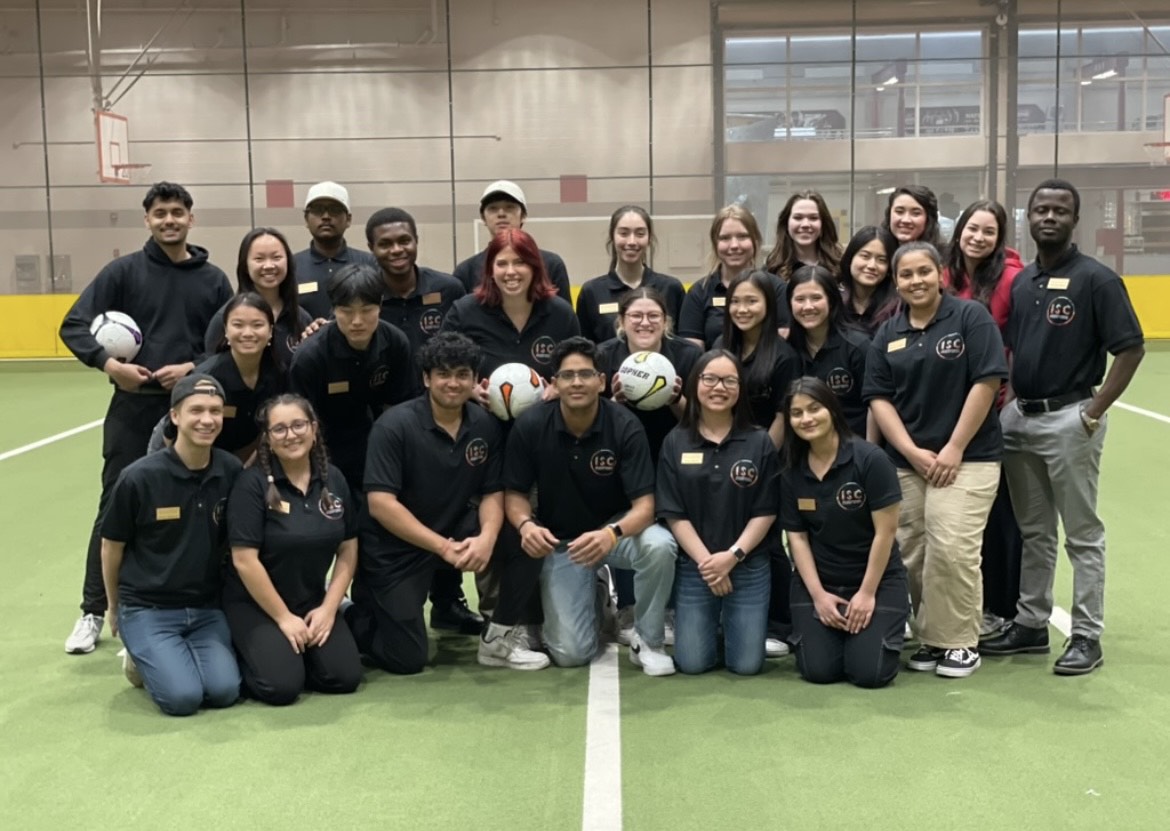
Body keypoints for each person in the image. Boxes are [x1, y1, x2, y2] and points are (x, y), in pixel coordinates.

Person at [60, 181, 233, 655]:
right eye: (160, 213)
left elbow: (226, 340)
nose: (169, 220)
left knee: (204, 508)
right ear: (148, 220)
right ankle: (93, 610)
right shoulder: (122, 272)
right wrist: (111, 366)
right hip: (134, 410)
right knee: (116, 503)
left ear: (191, 219)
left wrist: (193, 367)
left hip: (196, 412)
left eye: (178, 212)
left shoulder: (214, 279)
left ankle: (205, 605)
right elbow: (73, 325)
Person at [982, 179, 1145, 676]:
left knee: (1081, 534)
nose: (1049, 217)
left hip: (1069, 419)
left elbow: (1131, 347)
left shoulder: (1097, 280)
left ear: (1076, 220)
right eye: (1040, 209)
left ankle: (1086, 635)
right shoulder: (1024, 281)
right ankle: (1031, 623)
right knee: (1035, 531)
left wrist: (1093, 410)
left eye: (1060, 210)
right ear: (1028, 218)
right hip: (1019, 419)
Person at [863, 241, 1007, 679]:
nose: (915, 281)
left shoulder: (970, 318)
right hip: (909, 463)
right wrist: (908, 451)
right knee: (912, 552)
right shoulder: (888, 333)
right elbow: (878, 398)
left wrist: (955, 447)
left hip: (969, 459)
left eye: (923, 271)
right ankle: (931, 637)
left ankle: (961, 641)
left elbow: (987, 381)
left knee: (952, 547)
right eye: (906, 275)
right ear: (896, 281)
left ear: (941, 272)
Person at [442, 228, 580, 661]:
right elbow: (439, 364)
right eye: (501, 263)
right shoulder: (465, 311)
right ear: (489, 270)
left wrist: (560, 386)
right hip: (484, 440)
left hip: (544, 442)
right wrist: (466, 392)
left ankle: (534, 618)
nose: (510, 271)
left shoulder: (558, 313)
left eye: (519, 262)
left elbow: (576, 363)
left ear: (535, 266)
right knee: (496, 528)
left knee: (536, 525)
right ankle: (497, 621)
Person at [503, 337, 677, 675]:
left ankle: (649, 640)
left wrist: (611, 534)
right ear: (554, 383)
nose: (577, 382)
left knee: (659, 545)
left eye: (585, 374)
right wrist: (526, 525)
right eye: (567, 375)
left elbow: (645, 506)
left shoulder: (625, 425)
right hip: (563, 543)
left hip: (615, 532)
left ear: (601, 380)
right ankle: (596, 593)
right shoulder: (532, 425)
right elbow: (514, 494)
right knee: (570, 655)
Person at [353, 333, 508, 673]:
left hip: (452, 530)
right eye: (443, 374)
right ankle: (355, 613)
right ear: (426, 378)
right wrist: (442, 547)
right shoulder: (394, 426)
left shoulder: (485, 424)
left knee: (512, 530)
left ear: (474, 379)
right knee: (407, 659)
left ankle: (504, 627)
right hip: (395, 548)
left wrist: (487, 539)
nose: (453, 383)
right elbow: (381, 504)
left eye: (462, 374)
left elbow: (493, 492)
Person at [100, 374, 243, 716]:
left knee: (223, 692)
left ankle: (169, 655)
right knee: (182, 699)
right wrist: (114, 606)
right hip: (149, 607)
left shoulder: (230, 470)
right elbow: (111, 546)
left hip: (206, 607)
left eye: (214, 411)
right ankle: (140, 658)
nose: (206, 420)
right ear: (175, 416)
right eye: (196, 410)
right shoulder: (139, 477)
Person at [365, 207, 477, 634]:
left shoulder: (447, 287)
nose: (397, 249)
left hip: (446, 415)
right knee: (395, 507)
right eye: (386, 243)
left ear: (416, 240)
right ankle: (378, 601)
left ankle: (449, 601)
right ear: (372, 249)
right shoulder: (369, 294)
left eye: (403, 240)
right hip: (392, 424)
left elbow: (462, 345)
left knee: (447, 502)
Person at [224, 394, 361, 704]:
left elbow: (348, 549)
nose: (291, 435)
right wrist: (284, 617)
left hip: (311, 600)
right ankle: (241, 650)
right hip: (256, 604)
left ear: (313, 429)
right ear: (268, 439)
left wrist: (328, 608)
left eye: (299, 425)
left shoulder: (333, 479)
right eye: (280, 429)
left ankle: (292, 656)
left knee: (344, 677)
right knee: (282, 687)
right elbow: (244, 561)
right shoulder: (251, 485)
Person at [780, 377, 908, 688]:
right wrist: (818, 596)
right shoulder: (791, 469)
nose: (806, 419)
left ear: (832, 410)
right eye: (797, 413)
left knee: (869, 673)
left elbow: (886, 532)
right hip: (820, 581)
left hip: (875, 580)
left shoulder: (871, 460)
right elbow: (796, 538)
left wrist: (866, 594)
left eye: (814, 408)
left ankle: (883, 627)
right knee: (819, 672)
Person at [656, 349, 777, 675]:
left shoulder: (759, 441)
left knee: (747, 666)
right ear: (695, 384)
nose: (718, 387)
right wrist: (709, 564)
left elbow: (765, 512)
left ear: (740, 388)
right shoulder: (675, 441)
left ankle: (733, 626)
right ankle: (722, 624)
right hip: (697, 566)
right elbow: (674, 513)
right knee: (692, 664)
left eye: (728, 380)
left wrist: (732, 556)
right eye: (710, 379)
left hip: (748, 565)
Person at [595, 287, 700, 643]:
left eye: (653, 315)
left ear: (666, 321)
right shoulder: (605, 356)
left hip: (676, 455)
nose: (645, 322)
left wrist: (677, 400)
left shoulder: (686, 355)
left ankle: (668, 607)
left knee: (670, 529)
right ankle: (626, 606)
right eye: (635, 316)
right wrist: (614, 404)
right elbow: (592, 421)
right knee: (630, 520)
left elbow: (703, 423)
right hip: (620, 458)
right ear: (621, 323)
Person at [941, 200, 1026, 635]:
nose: (977, 237)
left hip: (993, 413)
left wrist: (1008, 397)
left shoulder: (1013, 280)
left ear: (999, 238)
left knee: (1001, 517)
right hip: (942, 415)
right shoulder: (942, 275)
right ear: (959, 231)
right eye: (972, 228)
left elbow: (1020, 345)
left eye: (988, 232)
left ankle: (1002, 608)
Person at [717, 269, 800, 656]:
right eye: (736, 301)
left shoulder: (783, 356)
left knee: (768, 542)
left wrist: (757, 460)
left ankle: (781, 625)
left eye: (752, 301)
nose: (743, 308)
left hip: (768, 461)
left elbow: (785, 415)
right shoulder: (722, 349)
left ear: (768, 306)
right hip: (725, 457)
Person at [288, 264, 414, 494]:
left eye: (366, 310)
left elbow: (399, 408)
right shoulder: (310, 357)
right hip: (323, 445)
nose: (357, 321)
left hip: (377, 442)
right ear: (334, 310)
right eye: (346, 311)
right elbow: (300, 423)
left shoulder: (396, 342)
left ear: (381, 306)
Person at [165, 294, 286, 461]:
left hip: (236, 458)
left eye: (257, 325)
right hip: (184, 452)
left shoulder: (278, 374)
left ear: (270, 331)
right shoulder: (206, 377)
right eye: (238, 325)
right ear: (226, 331)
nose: (248, 333)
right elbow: (170, 434)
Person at [678, 205, 790, 349]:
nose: (734, 245)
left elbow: (783, 338)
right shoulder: (699, 292)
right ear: (715, 243)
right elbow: (691, 350)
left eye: (742, 236)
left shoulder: (777, 288)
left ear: (755, 240)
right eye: (725, 238)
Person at [204, 227, 312, 370]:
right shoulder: (226, 317)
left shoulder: (301, 318)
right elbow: (211, 371)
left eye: (276, 257)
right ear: (245, 266)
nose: (268, 266)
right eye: (259, 259)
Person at [576, 205, 685, 344]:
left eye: (640, 234)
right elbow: (585, 350)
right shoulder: (591, 292)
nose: (632, 241)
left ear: (649, 238)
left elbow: (681, 346)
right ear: (612, 236)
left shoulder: (671, 288)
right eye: (624, 233)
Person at [786, 265, 872, 439]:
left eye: (816, 298)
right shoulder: (787, 348)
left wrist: (870, 453)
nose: (808, 306)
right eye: (800, 299)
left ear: (831, 301)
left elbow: (874, 406)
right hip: (803, 450)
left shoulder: (858, 345)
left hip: (854, 448)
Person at [452, 180, 572, 304]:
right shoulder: (466, 271)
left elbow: (564, 318)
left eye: (510, 207)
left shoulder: (551, 264)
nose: (501, 214)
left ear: (523, 215)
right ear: (483, 218)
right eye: (493, 208)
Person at [293, 181, 378, 321]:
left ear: (348, 219)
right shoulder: (291, 266)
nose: (326, 216)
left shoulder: (369, 263)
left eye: (334, 210)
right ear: (306, 220)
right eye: (318, 210)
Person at [763, 191, 843, 282]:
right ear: (786, 224)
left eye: (813, 218)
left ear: (823, 225)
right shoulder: (771, 271)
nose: (805, 224)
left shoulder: (841, 268)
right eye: (798, 217)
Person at [838, 225, 900, 338]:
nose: (872, 266)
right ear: (850, 258)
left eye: (881, 260)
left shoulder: (898, 308)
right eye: (865, 256)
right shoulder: (833, 300)